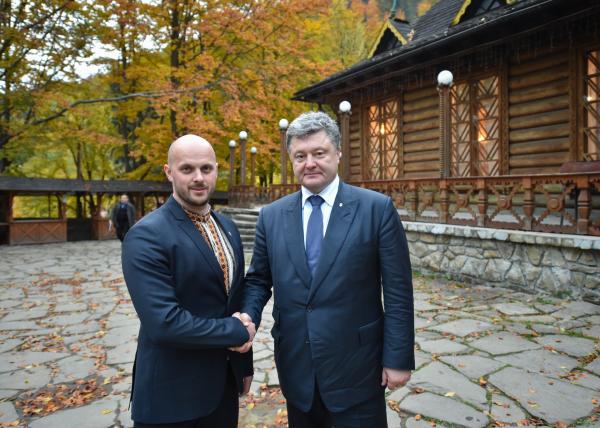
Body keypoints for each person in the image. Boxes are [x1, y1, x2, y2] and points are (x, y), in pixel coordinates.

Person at [237, 112, 415, 427]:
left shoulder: (376, 209)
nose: (310, 163)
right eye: (300, 156)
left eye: (319, 153)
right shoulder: (272, 216)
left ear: (338, 153)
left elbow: (398, 291)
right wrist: (247, 319)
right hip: (297, 369)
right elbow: (258, 280)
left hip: (358, 369)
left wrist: (398, 358)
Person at [121, 134, 255, 427]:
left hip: (223, 389)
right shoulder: (147, 235)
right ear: (169, 172)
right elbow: (164, 323)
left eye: (206, 168)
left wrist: (244, 365)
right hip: (172, 398)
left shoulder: (228, 227)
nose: (199, 178)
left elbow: (233, 300)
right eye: (187, 169)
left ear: (216, 170)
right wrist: (237, 332)